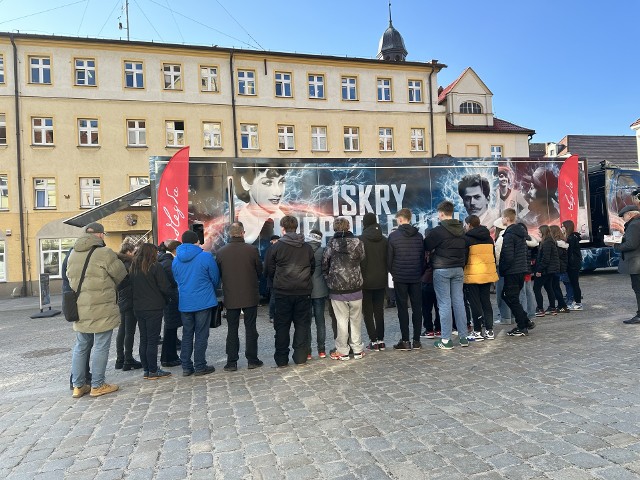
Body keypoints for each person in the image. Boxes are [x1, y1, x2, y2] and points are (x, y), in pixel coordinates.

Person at [68, 222, 127, 398]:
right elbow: (121, 274)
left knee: (81, 346)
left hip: (80, 306)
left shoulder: (72, 254)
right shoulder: (104, 253)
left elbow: (69, 278)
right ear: (100, 235)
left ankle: (78, 386)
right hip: (102, 307)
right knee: (101, 346)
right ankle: (98, 385)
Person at [265, 215, 314, 367]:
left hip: (282, 292)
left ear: (283, 229)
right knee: (302, 325)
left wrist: (278, 281)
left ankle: (281, 359)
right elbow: (312, 267)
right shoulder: (306, 247)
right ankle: (300, 357)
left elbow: (269, 269)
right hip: (302, 292)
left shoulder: (276, 247)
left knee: (281, 326)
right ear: (296, 228)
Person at [216, 222, 264, 371]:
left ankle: (231, 362)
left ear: (230, 234)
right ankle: (252, 359)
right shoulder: (252, 250)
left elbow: (218, 274)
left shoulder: (221, 252)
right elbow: (259, 271)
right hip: (249, 294)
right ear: (243, 233)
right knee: (250, 328)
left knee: (232, 329)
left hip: (231, 295)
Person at [172, 230, 220, 376]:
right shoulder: (205, 256)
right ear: (196, 241)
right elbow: (215, 278)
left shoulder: (176, 259)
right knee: (201, 334)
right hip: (203, 301)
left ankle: (186, 366)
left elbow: (177, 279)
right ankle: (200, 365)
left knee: (187, 334)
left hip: (185, 302)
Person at [424, 201, 468, 349]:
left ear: (441, 213)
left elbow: (427, 246)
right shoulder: (461, 229)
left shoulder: (438, 231)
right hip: (458, 269)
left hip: (442, 269)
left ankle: (446, 340)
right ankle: (463, 337)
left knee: (444, 304)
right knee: (459, 302)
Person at [322, 217, 366, 361]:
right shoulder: (358, 242)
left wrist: (328, 278)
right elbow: (362, 258)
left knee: (341, 321)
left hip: (337, 288)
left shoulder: (330, 244)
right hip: (355, 286)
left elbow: (325, 264)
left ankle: (343, 351)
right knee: (356, 320)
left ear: (335, 228)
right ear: (348, 227)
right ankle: (358, 349)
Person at [130, 243, 173, 380]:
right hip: (154, 307)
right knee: (152, 340)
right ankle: (153, 370)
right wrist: (168, 299)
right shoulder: (155, 266)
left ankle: (147, 370)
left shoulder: (133, 268)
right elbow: (164, 287)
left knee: (144, 338)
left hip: (138, 307)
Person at [388, 208, 424, 350]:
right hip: (415, 276)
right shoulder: (419, 236)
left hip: (400, 277)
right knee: (417, 308)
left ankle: (405, 340)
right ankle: (416, 340)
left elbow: (389, 260)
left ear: (401, 219)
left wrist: (394, 273)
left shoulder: (393, 236)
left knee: (402, 308)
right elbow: (422, 258)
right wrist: (419, 272)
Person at [463, 215, 498, 341]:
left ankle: (477, 331)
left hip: (473, 275)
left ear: (469, 225)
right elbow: (493, 256)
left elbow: (464, 258)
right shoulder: (489, 238)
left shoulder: (467, 239)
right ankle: (489, 331)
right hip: (487, 274)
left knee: (475, 303)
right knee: (486, 302)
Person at [499, 209, 533, 337]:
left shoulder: (509, 235)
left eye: (502, 217)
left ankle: (522, 325)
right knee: (510, 297)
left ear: (507, 219)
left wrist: (502, 269)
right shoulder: (521, 234)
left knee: (511, 297)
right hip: (520, 270)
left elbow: (508, 256)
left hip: (512, 271)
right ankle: (525, 321)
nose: (502, 220)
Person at [234, 167, 288, 244]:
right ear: (245, 183)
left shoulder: (285, 219)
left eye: (281, 182)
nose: (278, 192)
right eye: (268, 183)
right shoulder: (235, 219)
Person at [359, 213, 388, 352]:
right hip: (381, 280)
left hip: (365, 281)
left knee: (368, 312)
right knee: (379, 311)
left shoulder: (361, 240)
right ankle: (381, 340)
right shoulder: (384, 240)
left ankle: (373, 341)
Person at [609, 205, 640, 324]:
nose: (623, 218)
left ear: (630, 214)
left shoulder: (634, 225)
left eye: (624, 216)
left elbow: (631, 244)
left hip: (636, 264)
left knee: (638, 289)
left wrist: (615, 245)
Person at [114, 241, 142, 371]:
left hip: (121, 299)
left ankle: (120, 359)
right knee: (129, 331)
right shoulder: (130, 264)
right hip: (130, 299)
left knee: (122, 330)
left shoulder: (117, 263)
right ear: (129, 252)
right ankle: (128, 359)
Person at [158, 240, 182, 368]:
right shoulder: (168, 262)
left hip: (170, 299)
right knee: (170, 331)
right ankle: (168, 358)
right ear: (175, 250)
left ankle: (171, 357)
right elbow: (173, 281)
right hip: (171, 300)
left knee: (170, 329)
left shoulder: (166, 260)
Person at [306, 229, 328, 359]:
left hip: (306, 289)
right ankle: (321, 350)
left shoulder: (304, 250)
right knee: (320, 321)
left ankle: (308, 352)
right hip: (320, 290)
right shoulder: (323, 251)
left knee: (306, 321)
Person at [533, 225, 560, 317]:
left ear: (544, 232)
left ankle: (540, 309)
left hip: (546, 270)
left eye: (540, 232)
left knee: (536, 288)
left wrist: (539, 270)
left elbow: (545, 259)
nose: (538, 233)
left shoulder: (547, 242)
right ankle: (552, 308)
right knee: (549, 288)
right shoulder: (550, 241)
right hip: (550, 270)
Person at [420, 247, 441, 338]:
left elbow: (422, 266)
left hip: (427, 281)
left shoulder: (426, 252)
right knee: (439, 307)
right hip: (439, 281)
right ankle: (439, 328)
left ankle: (429, 330)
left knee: (426, 308)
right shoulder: (441, 250)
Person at [563, 220, 584, 310]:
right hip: (575, 263)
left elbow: (569, 252)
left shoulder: (571, 238)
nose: (561, 228)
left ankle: (578, 303)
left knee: (574, 283)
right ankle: (576, 301)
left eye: (562, 226)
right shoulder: (573, 237)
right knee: (574, 283)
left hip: (573, 264)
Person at [550, 225, 570, 313]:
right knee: (556, 287)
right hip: (560, 267)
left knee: (555, 287)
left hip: (556, 267)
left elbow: (555, 256)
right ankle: (562, 305)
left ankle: (562, 305)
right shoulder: (562, 243)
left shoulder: (557, 244)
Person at [264, 235, 280, 323]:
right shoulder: (281, 249)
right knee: (276, 298)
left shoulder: (269, 250)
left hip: (272, 278)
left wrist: (266, 276)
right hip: (279, 277)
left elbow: (266, 265)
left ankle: (272, 316)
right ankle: (274, 315)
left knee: (273, 297)